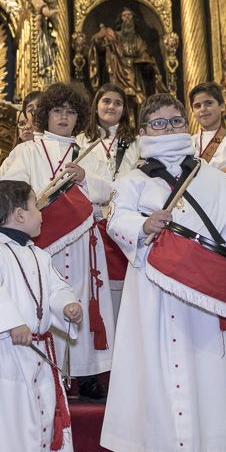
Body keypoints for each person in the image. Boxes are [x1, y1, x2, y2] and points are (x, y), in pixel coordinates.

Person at [100, 93, 226, 452]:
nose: (168, 128)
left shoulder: (216, 179)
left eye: (175, 121)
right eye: (159, 123)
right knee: (159, 380)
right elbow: (115, 220)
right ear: (143, 131)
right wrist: (144, 225)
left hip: (206, 294)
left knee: (210, 378)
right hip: (155, 294)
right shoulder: (131, 181)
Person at [0, 180, 96, 452]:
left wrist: (66, 305)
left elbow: (56, 288)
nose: (41, 213)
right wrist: (12, 323)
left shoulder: (40, 255)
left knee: (45, 405)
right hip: (6, 350)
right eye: (36, 206)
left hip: (38, 348)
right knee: (11, 411)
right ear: (19, 215)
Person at [0, 82, 115, 403]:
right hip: (41, 242)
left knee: (82, 300)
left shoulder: (89, 151)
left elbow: (110, 190)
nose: (64, 117)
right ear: (45, 115)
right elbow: (9, 189)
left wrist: (85, 178)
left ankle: (86, 373)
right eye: (57, 111)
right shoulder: (27, 151)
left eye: (71, 112)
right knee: (43, 298)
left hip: (81, 243)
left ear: (79, 117)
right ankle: (47, 369)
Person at [76, 84, 140, 319]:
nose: (111, 106)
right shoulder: (81, 140)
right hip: (90, 218)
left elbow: (136, 178)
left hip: (123, 217)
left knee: (123, 282)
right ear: (96, 106)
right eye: (106, 101)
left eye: (117, 103)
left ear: (124, 109)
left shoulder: (135, 142)